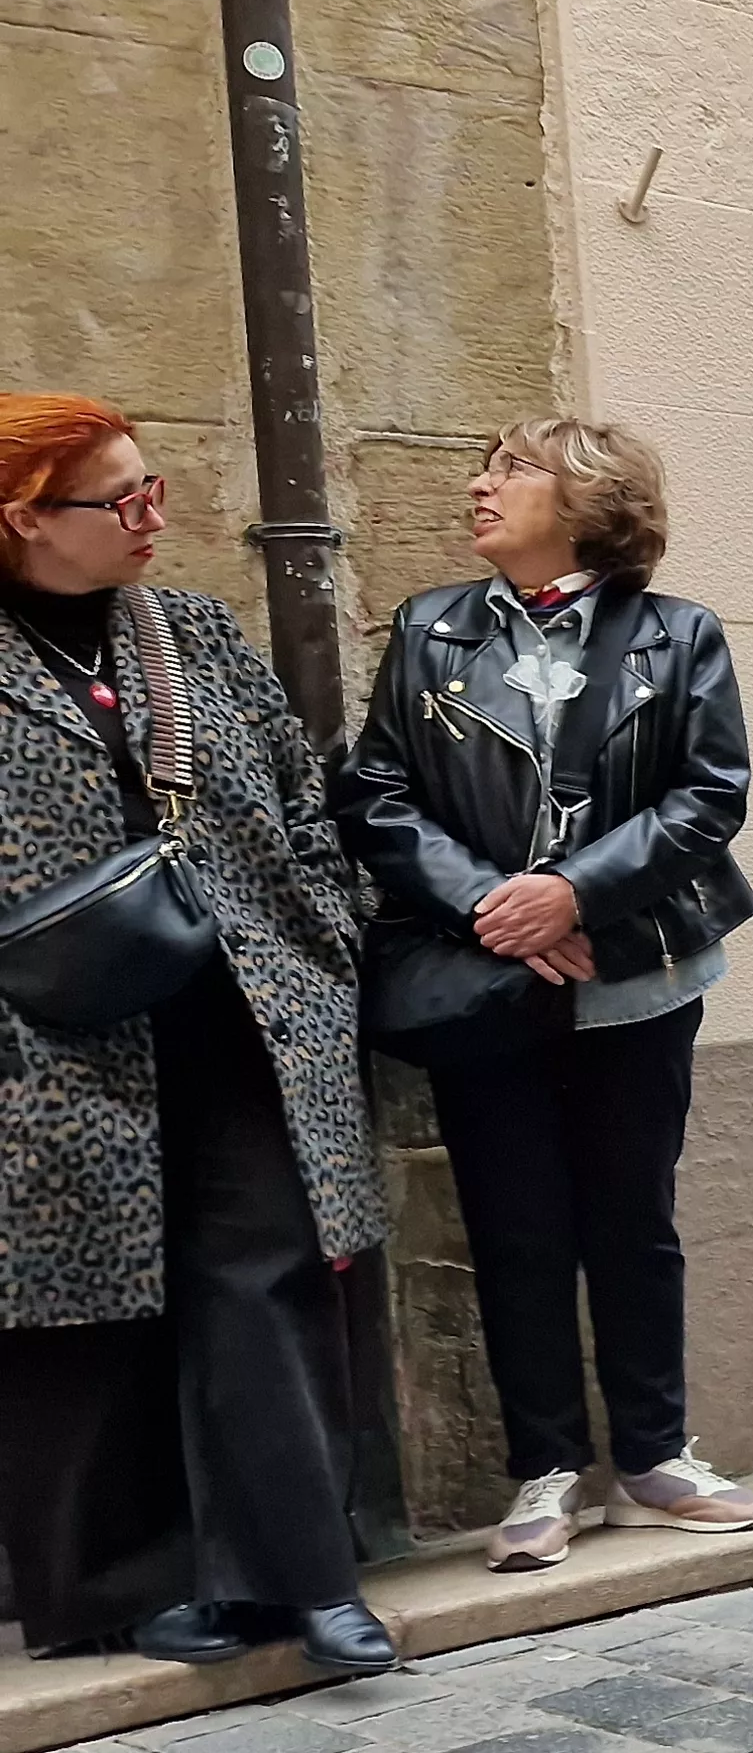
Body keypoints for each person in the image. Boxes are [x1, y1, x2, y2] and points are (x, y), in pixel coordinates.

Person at [333, 418, 753, 1577]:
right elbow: (374, 790)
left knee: (634, 1220)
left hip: (639, 974)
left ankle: (656, 1457)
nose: (481, 485)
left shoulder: (679, 638)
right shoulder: (431, 629)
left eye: (514, 469)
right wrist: (496, 906)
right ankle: (545, 1470)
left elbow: (707, 798)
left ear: (587, 502)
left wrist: (572, 895)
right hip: (483, 981)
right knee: (514, 1227)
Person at [0, 395, 395, 1672]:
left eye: (150, 483)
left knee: (266, 1285)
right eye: (120, 500)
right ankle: (107, 1592)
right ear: (23, 521)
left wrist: (326, 936)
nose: (153, 513)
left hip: (242, 1019)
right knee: (83, 1318)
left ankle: (304, 1582)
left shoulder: (193, 634)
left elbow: (302, 789)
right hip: (47, 1043)